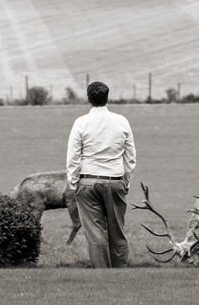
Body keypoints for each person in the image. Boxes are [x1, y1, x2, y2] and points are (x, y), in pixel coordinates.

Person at [65, 80, 135, 268]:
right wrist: (126, 181)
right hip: (115, 180)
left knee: (95, 235)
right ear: (107, 97)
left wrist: (73, 182)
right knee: (117, 231)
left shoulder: (81, 122)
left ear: (88, 99)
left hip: (87, 182)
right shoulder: (121, 121)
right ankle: (120, 273)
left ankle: (102, 275)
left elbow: (73, 155)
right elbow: (130, 156)